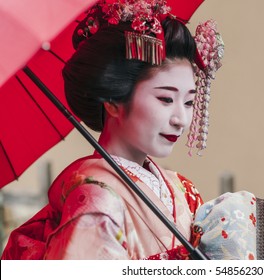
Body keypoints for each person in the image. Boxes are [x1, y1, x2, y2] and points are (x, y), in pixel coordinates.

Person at [1, 0, 224, 260]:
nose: (180, 119)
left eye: (188, 102)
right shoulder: (93, 198)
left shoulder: (182, 189)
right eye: (165, 99)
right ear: (113, 101)